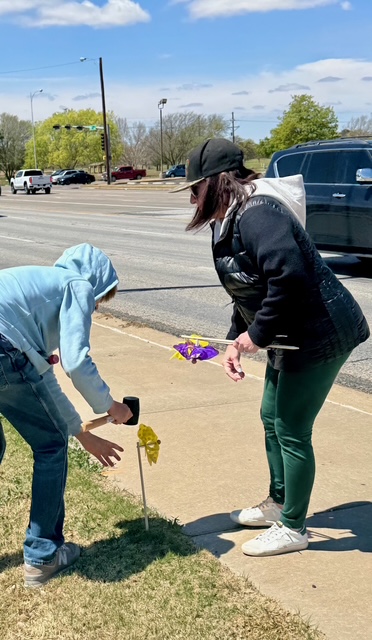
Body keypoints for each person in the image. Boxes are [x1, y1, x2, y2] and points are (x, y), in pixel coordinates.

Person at [174, 138, 370, 557]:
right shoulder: (227, 219)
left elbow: (289, 279)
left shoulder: (259, 214)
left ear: (217, 182)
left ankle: (293, 526)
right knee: (270, 417)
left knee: (292, 429)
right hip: (288, 332)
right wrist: (234, 340)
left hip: (322, 332)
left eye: (195, 188)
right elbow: (247, 287)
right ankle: (278, 501)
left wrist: (255, 337)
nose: (192, 197)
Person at [0, 243, 133, 587]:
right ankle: (43, 556)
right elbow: (75, 362)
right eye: (100, 301)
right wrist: (110, 407)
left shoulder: (35, 286)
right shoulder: (78, 285)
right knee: (50, 448)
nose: (94, 306)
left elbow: (44, 382)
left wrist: (82, 433)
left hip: (6, 345)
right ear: (97, 285)